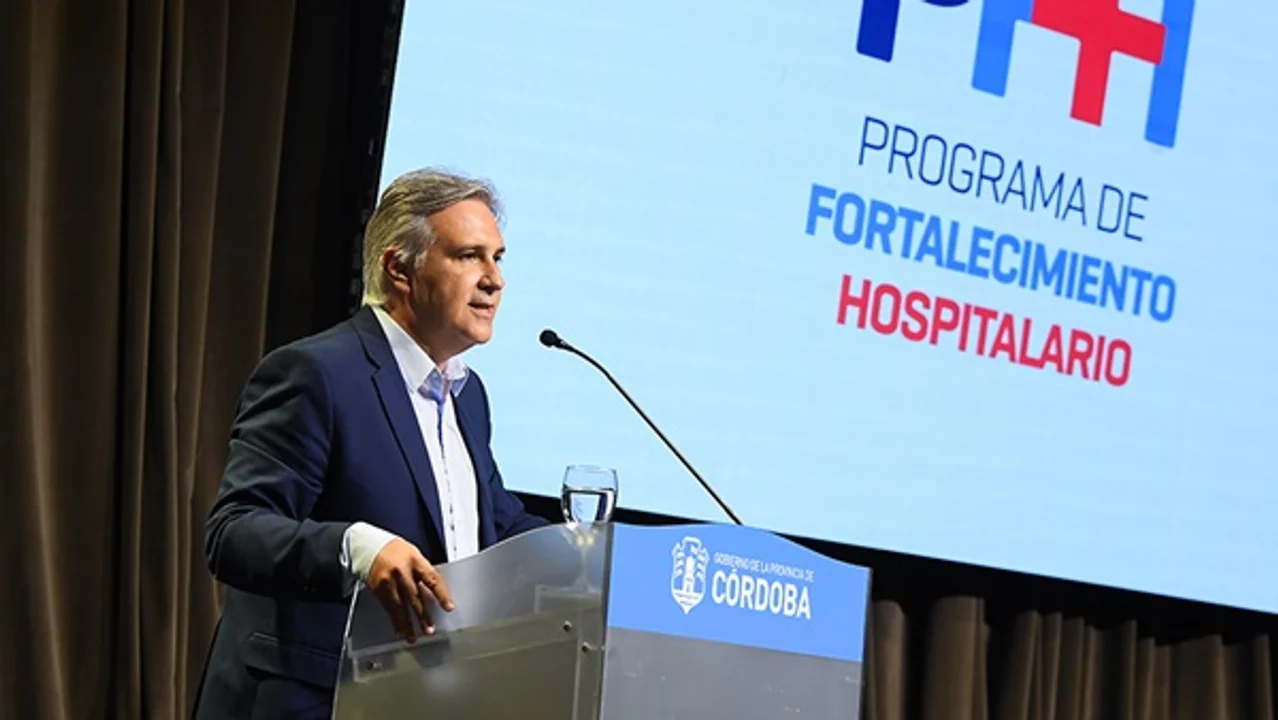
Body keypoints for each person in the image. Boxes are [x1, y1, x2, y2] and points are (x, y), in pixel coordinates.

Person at [192, 169, 549, 719]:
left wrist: (596, 552)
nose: (494, 280)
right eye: (469, 256)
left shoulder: (468, 395)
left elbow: (494, 525)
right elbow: (234, 532)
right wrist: (356, 547)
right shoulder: (316, 373)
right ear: (399, 269)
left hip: (415, 699)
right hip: (308, 699)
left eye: (498, 258)